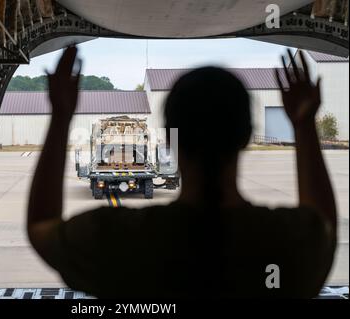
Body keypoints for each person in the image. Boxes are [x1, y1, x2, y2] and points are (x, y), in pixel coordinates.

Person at [27, 46, 337, 298]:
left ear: (175, 142)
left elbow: (41, 227)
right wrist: (305, 125)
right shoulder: (285, 242)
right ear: (245, 138)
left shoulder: (118, 239)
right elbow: (324, 228)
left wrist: (61, 116)